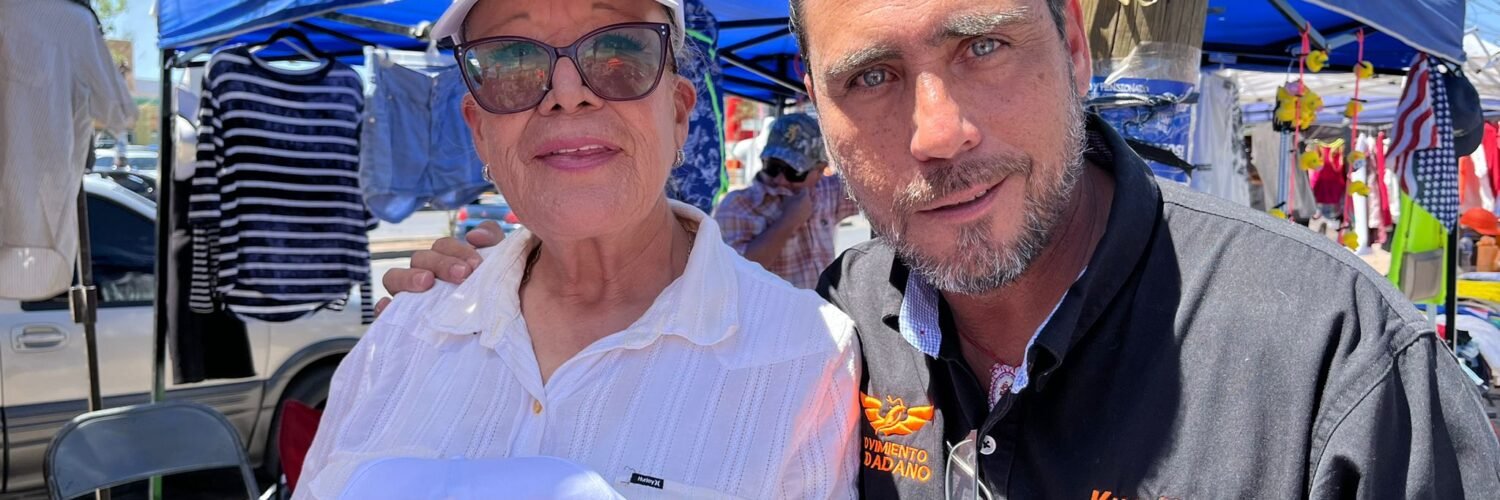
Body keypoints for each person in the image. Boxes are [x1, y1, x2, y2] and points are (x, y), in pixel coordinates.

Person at [383, 0, 1500, 496]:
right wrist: (498, 294)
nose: (936, 133)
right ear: (818, 109)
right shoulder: (838, 332)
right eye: (871, 77)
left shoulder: (1328, 360)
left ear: (1072, 45)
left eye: (982, 48)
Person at [296, 0, 860, 497]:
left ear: (678, 113)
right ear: (479, 131)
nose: (567, 95)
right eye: (512, 62)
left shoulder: (806, 355)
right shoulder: (406, 332)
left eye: (619, 53)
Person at [714, 113, 861, 288]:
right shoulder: (738, 205)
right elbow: (737, 274)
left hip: (823, 303)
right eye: (773, 166)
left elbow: (872, 186)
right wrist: (789, 221)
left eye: (794, 172)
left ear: (820, 170)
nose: (780, 179)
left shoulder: (826, 190)